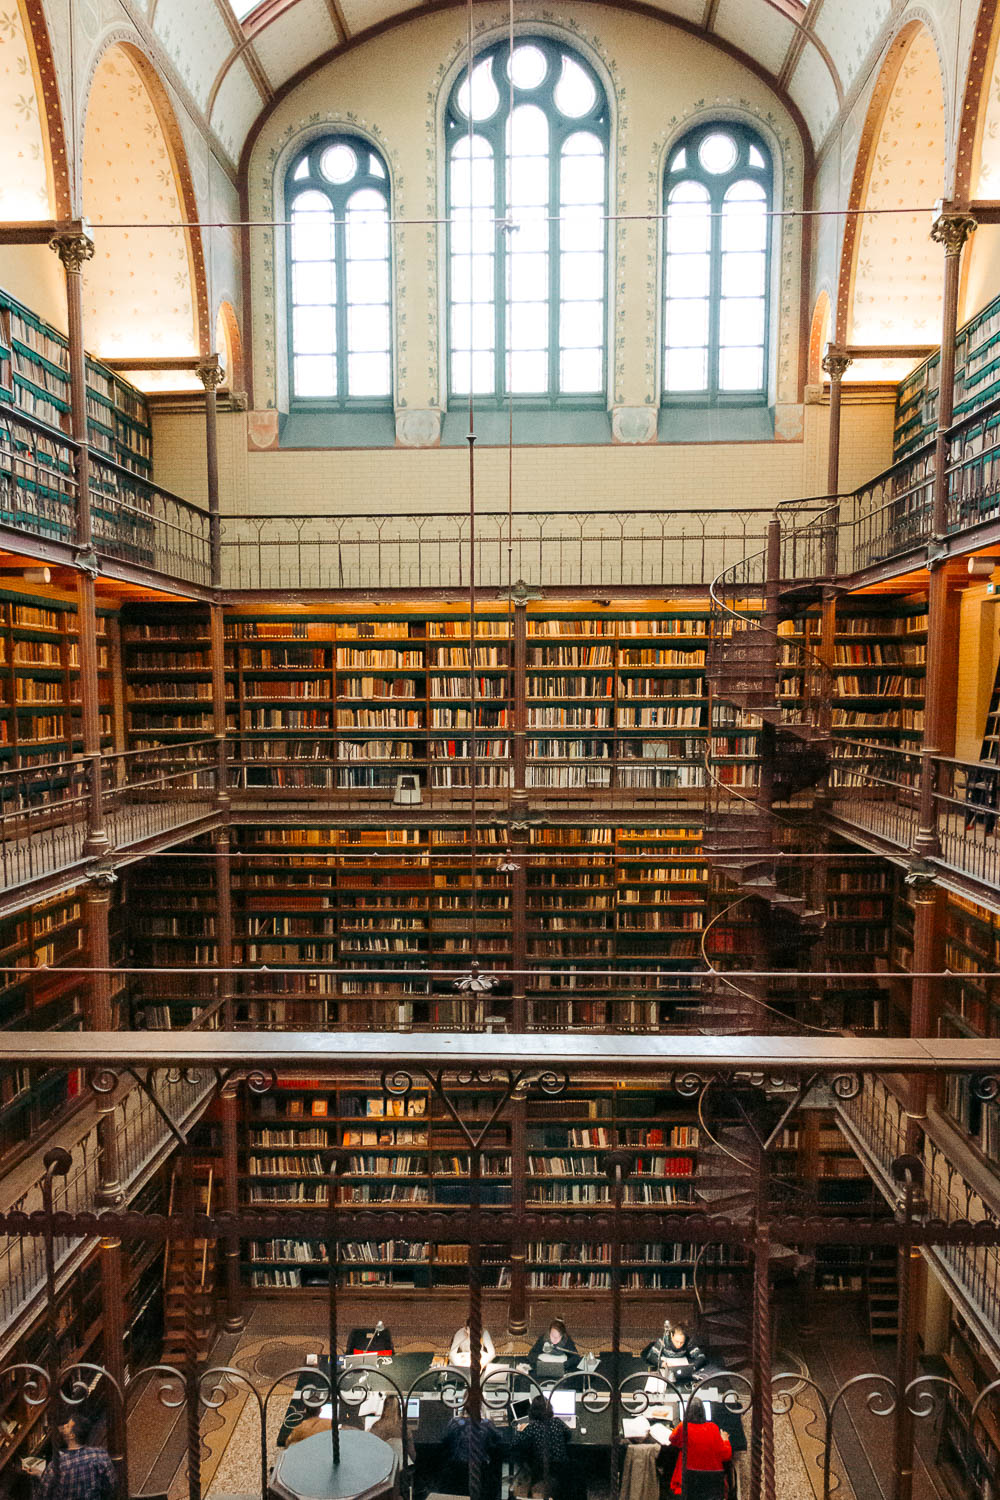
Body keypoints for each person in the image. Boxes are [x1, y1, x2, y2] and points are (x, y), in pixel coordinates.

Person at [39, 1415, 116, 1500]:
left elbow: (43, 1494)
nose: (64, 1426)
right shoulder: (100, 1454)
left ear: (72, 1435)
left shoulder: (56, 1465)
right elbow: (112, 1484)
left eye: (67, 1426)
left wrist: (41, 1475)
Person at [514, 1394, 573, 1500]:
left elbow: (516, 1443)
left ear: (532, 1411)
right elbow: (569, 1435)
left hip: (539, 1469)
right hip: (560, 1468)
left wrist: (520, 1430)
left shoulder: (532, 1427)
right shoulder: (557, 1422)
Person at [666, 1399, 731, 1495]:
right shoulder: (713, 1428)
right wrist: (725, 1440)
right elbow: (726, 1455)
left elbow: (672, 1440)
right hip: (712, 1485)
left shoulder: (683, 1427)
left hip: (688, 1485)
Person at [438, 1411, 505, 1500]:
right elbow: (499, 1439)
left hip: (457, 1470)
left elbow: (444, 1441)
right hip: (481, 1470)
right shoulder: (487, 1423)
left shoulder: (454, 1422)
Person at [642, 1320, 706, 1375]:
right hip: (665, 1368)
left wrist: (693, 1366)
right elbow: (651, 1356)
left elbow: (701, 1356)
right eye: (676, 1341)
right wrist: (662, 1363)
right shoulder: (663, 1340)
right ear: (672, 1335)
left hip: (682, 1368)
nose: (679, 1344)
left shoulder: (687, 1342)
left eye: (682, 1342)